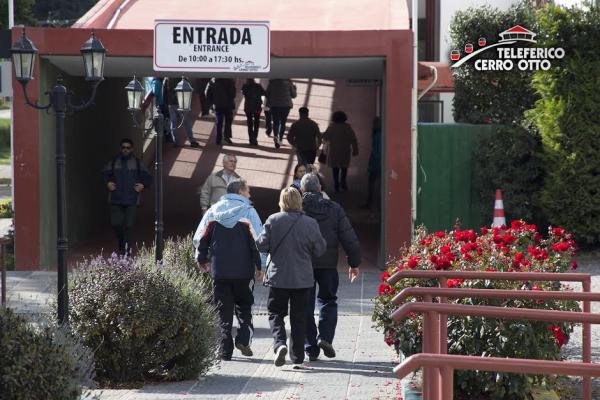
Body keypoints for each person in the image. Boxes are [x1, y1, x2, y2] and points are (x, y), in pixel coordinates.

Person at [194, 179, 265, 360]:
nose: (250, 195)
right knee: (244, 306)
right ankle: (243, 337)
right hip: (243, 272)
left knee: (222, 310)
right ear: (241, 191)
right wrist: (261, 266)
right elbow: (259, 242)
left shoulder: (213, 211)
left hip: (220, 271)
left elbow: (200, 238)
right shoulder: (249, 212)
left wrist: (201, 258)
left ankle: (225, 351)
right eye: (248, 191)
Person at [256, 188, 326, 367]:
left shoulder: (273, 220)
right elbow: (320, 249)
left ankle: (279, 344)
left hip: (278, 277)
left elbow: (261, 245)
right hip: (303, 278)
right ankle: (297, 358)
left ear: (282, 201)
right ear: (299, 202)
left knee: (275, 313)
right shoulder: (310, 223)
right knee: (299, 317)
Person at [300, 174, 361, 361]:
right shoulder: (334, 208)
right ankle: (325, 337)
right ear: (320, 188)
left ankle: (310, 347)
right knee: (328, 300)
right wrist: (354, 263)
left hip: (303, 265)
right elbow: (349, 238)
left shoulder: (298, 209)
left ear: (302, 190)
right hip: (327, 264)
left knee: (304, 306)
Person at [102, 138, 152, 255]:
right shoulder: (114, 162)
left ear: (132, 149)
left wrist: (142, 185)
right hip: (116, 198)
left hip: (132, 199)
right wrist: (108, 183)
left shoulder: (137, 163)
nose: (125, 150)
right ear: (120, 148)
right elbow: (104, 173)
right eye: (123, 147)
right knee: (116, 224)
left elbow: (148, 177)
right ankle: (121, 241)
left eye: (128, 148)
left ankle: (126, 250)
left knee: (129, 225)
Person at [322, 111, 359, 192]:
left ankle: (336, 184)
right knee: (344, 167)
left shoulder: (331, 127)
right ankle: (343, 182)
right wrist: (355, 149)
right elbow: (353, 139)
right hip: (345, 150)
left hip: (334, 150)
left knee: (335, 168)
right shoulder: (348, 127)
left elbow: (325, 137)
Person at [165, 77, 200, 148]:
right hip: (181, 102)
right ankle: (192, 141)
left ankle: (175, 141)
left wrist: (167, 103)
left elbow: (164, 93)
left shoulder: (167, 79)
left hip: (171, 104)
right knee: (186, 122)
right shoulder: (182, 78)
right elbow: (188, 89)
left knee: (173, 122)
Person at [265, 79, 297, 149]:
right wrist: (294, 88)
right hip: (286, 106)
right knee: (283, 122)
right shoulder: (289, 83)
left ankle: (276, 137)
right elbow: (294, 95)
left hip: (274, 105)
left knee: (276, 122)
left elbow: (267, 94)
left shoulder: (272, 83)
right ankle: (280, 139)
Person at [207, 78, 236, 145]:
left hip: (218, 105)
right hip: (228, 105)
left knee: (219, 122)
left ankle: (218, 139)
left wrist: (212, 102)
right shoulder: (230, 81)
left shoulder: (213, 81)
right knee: (228, 121)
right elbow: (233, 94)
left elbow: (207, 93)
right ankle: (227, 136)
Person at [362, 117, 382, 208]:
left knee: (372, 182)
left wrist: (371, 164)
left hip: (377, 162)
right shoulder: (382, 134)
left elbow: (376, 152)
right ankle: (377, 202)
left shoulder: (377, 135)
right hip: (379, 162)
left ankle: (370, 202)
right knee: (378, 182)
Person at [242, 78, 266, 146]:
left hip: (248, 107)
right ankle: (255, 138)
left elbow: (243, 93)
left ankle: (251, 139)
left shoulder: (245, 86)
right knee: (256, 122)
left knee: (249, 123)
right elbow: (264, 93)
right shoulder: (258, 86)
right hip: (257, 107)